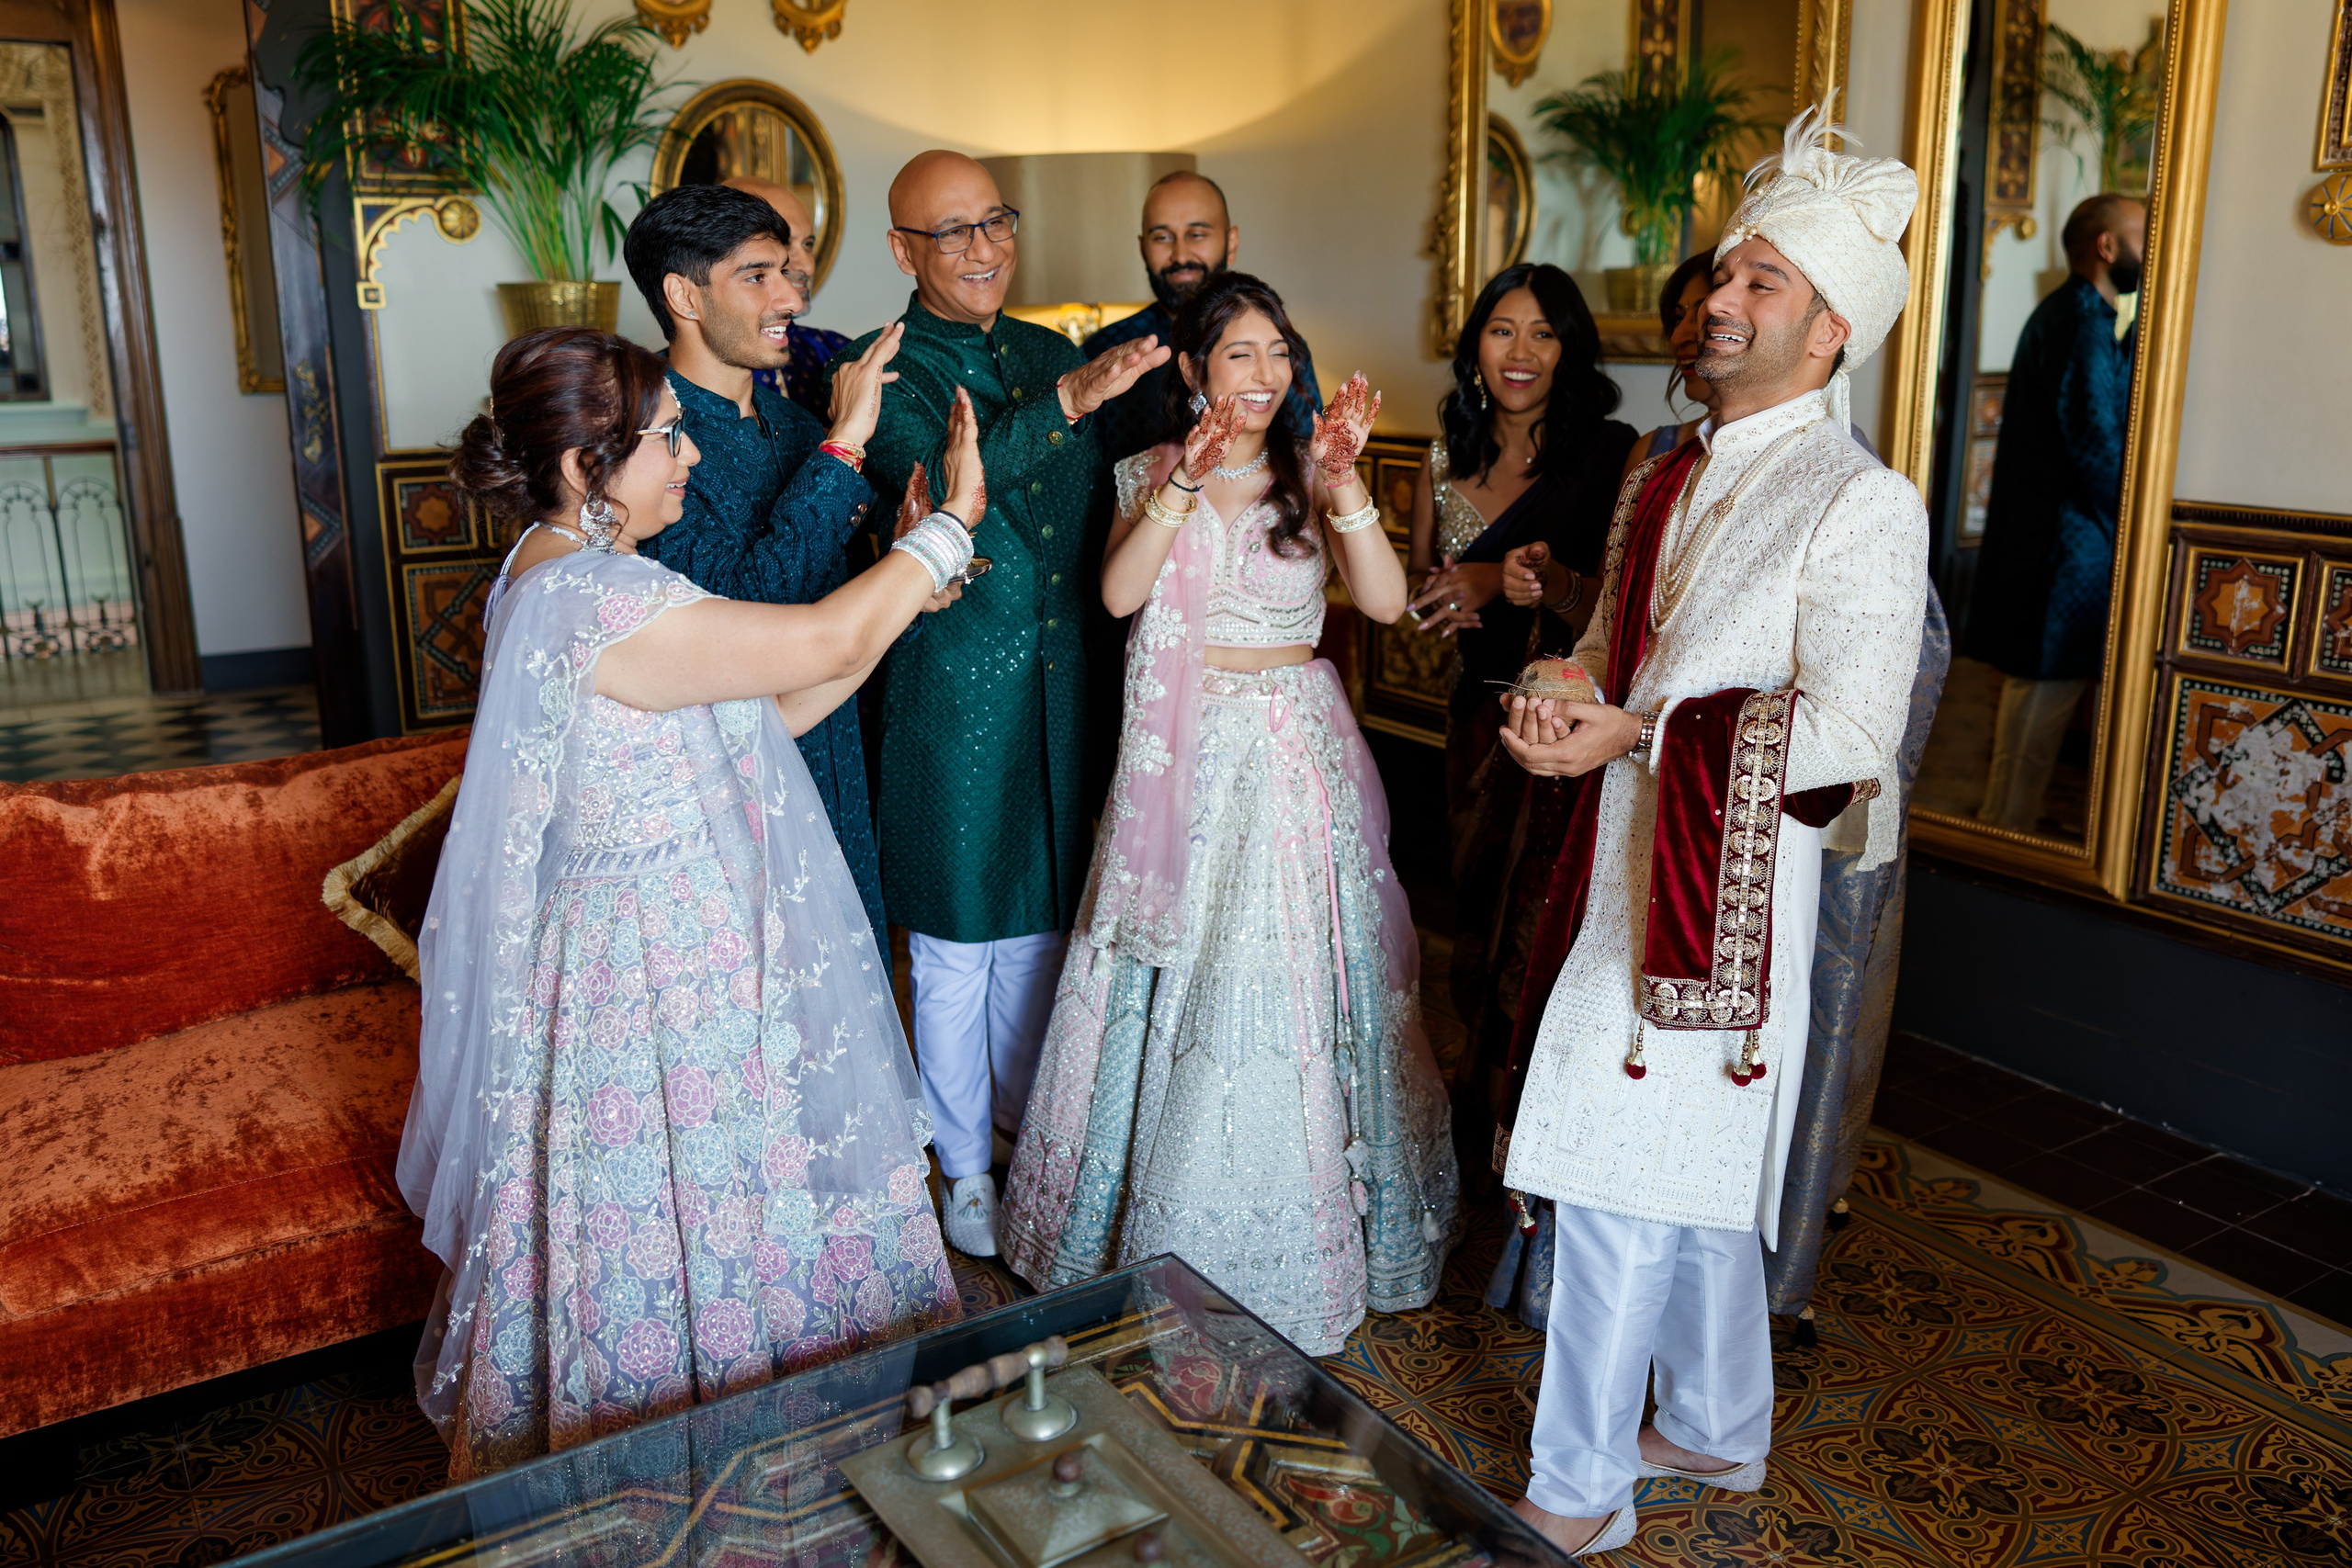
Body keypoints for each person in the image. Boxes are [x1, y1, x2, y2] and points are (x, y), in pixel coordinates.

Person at [406, 326, 987, 1477]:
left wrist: (901, 610)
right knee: (699, 1212)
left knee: (718, 1210)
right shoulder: (599, 602)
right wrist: (947, 528)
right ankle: (722, 1473)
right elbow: (817, 632)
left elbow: (761, 718)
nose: (689, 458)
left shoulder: (552, 567)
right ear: (587, 468)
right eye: (667, 437)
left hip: (661, 943)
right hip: (658, 973)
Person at [1490, 112, 1928, 1554]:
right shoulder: (1664, 468)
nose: (1723, 301)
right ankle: (1725, 1429)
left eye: (1765, 285)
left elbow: (1855, 736)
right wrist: (1565, 697)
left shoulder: (1862, 501)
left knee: (1622, 1170)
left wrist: (1645, 739)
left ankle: (1577, 1489)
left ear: (1831, 330)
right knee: (1673, 1168)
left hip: (1720, 887)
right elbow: (1619, 649)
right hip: (1613, 849)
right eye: (1727, 272)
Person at [996, 273, 1459, 1355]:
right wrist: (1181, 487)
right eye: (1238, 354)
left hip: (1291, 750)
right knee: (1175, 972)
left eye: (1277, 353)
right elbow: (1117, 600)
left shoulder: (1311, 472)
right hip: (1186, 755)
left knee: (1294, 971)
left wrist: (1343, 483)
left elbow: (1387, 603)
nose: (1262, 375)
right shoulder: (1149, 469)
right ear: (1196, 369)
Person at [838, 150, 1169, 1258]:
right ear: (901, 251)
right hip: (947, 690)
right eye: (953, 232)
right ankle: (962, 1167)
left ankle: (1035, 1138)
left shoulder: (1046, 350)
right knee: (951, 940)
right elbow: (937, 486)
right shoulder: (879, 367)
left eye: (996, 222)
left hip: (1064, 682)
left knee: (1040, 931)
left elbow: (1092, 518)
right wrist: (1073, 403)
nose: (984, 248)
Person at [622, 184, 946, 955]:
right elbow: (749, 612)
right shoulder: (646, 444)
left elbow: (842, 608)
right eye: (757, 275)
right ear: (682, 295)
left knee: (854, 982)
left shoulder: (802, 426)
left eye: (788, 270)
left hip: (838, 755)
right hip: (734, 788)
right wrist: (848, 441)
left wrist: (913, 582)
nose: (790, 295)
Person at [1396, 262, 1634, 1188]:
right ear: (1475, 346)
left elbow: (1626, 606)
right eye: (1502, 330)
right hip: (1472, 723)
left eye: (1542, 332)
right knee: (1471, 924)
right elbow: (1421, 591)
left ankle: (1536, 1125)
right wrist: (1442, 602)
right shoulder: (1441, 460)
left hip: (1567, 736)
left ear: (1568, 348)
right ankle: (1474, 1111)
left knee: (1540, 934)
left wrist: (1506, 581)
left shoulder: (1611, 457)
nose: (1521, 352)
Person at [1966, 192, 2143, 832]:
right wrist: (2140, 523)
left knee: (2043, 700)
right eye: (2142, 235)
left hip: (2065, 541)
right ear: (2106, 246)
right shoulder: (2080, 323)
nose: (2149, 251)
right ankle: (2004, 830)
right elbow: (2097, 444)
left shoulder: (2081, 315)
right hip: (2065, 548)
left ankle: (2013, 819)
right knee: (2039, 701)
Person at [1081, 170, 1321, 463]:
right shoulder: (1103, 351)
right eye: (1162, 237)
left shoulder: (1284, 350)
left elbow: (1309, 470)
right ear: (1143, 247)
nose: (1180, 255)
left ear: (1231, 242)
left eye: (1196, 235)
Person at [718, 175, 851, 423]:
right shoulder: (666, 384)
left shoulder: (836, 351)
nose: (807, 266)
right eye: (785, 243)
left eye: (808, 245)